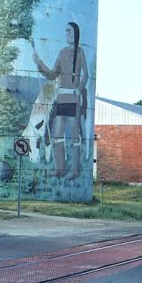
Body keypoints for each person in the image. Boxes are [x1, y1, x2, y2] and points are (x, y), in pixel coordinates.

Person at [32, 22, 88, 179]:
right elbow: (52, 74)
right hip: (61, 99)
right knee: (57, 134)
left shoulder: (81, 52)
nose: (67, 34)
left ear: (76, 34)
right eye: (66, 31)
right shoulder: (62, 52)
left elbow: (86, 75)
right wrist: (39, 63)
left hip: (73, 99)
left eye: (69, 31)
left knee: (75, 136)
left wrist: (79, 87)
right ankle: (60, 168)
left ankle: (75, 170)